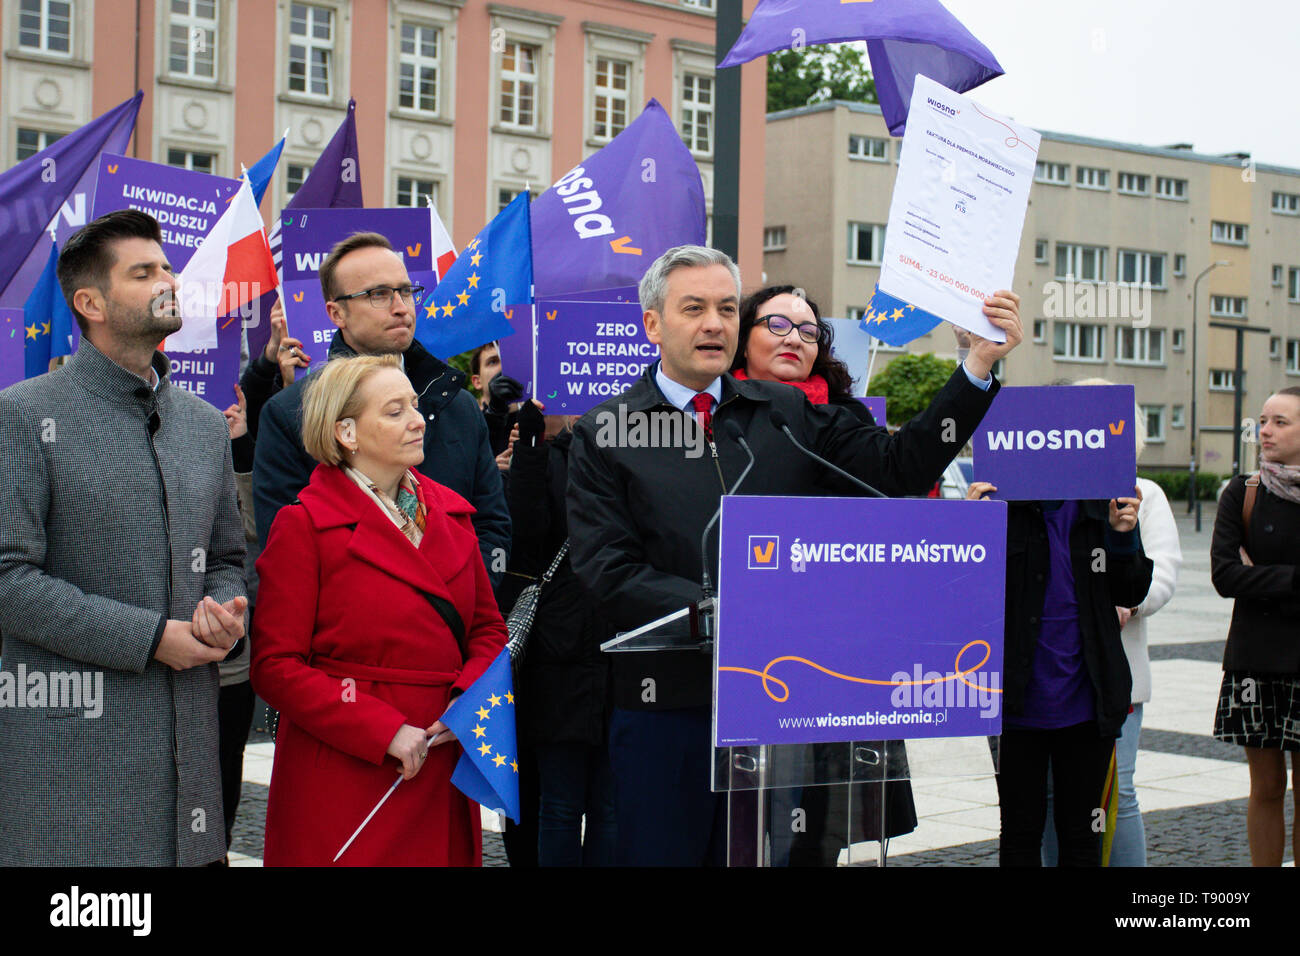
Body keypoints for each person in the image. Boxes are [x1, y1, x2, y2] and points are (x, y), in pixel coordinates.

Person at [566, 245, 1022, 866]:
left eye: (727, 308)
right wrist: (723, 613)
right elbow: (605, 568)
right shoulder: (605, 432)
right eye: (693, 308)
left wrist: (974, 368)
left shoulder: (785, 415)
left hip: (778, 704)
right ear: (652, 324)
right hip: (665, 706)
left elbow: (896, 468)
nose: (715, 324)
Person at [0, 209, 247, 866]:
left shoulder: (200, 424)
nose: (168, 279)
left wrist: (226, 612)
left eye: (166, 266)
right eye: (144, 272)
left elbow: (226, 556)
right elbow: (8, 581)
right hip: (72, 783)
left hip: (190, 778)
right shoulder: (24, 414)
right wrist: (150, 638)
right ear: (91, 303)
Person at [251, 354, 508, 865]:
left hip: (439, 756)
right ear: (346, 432)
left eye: (414, 405)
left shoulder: (452, 515)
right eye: (395, 411)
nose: (418, 420)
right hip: (349, 769)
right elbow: (275, 667)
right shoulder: (303, 526)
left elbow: (487, 629)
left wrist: (467, 705)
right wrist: (381, 729)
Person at [731, 285, 917, 863]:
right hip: (735, 655)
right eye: (778, 324)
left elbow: (896, 480)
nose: (796, 338)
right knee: (734, 832)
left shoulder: (843, 421)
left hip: (829, 658)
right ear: (743, 337)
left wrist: (978, 366)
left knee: (814, 836)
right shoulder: (709, 417)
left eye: (809, 331)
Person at [252, 232, 509, 585]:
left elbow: (491, 524)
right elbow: (285, 555)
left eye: (405, 291)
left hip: (457, 628)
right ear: (336, 313)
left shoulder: (458, 405)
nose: (401, 306)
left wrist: (464, 607)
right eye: (378, 295)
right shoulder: (293, 414)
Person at [967, 462, 1152, 866]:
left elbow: (1131, 589)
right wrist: (973, 530)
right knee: (1019, 831)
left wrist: (1122, 536)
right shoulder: (1002, 504)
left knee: (1082, 836)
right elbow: (969, 595)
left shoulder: (1102, 505)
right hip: (1017, 700)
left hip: (1087, 699)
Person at [1042, 382, 1183, 867]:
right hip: (1045, 669)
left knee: (1113, 795)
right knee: (1047, 800)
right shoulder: (1041, 491)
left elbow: (1161, 571)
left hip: (1114, 669)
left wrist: (1130, 605)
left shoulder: (1145, 492)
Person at [214, 297, 312, 854]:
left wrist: (271, 369)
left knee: (222, 780)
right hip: (149, 652)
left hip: (229, 654)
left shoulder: (241, 438)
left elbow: (251, 531)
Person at [509, 400, 616, 865]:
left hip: (616, 653)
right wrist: (530, 445)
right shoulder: (548, 459)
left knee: (609, 806)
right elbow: (527, 534)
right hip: (559, 661)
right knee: (560, 804)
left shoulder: (625, 458)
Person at [1211, 385, 1300, 867]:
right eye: (1263, 421)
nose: (1265, 431)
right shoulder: (1243, 492)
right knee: (1265, 787)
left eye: (1280, 422)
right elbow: (1225, 576)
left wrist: (1259, 576)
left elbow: (1244, 576)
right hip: (1255, 660)